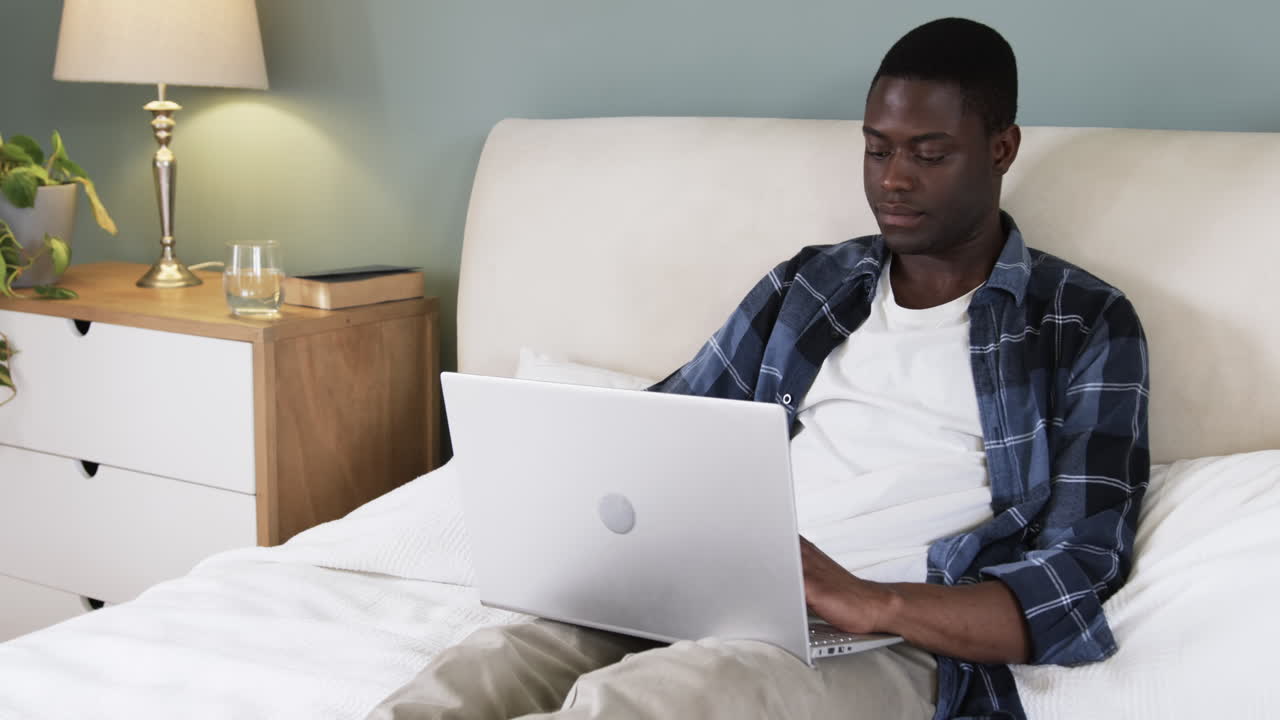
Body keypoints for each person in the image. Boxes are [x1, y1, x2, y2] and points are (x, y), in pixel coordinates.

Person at [368, 17, 1148, 720]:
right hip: (710, 589)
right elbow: (663, 431)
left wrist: (870, 601)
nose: (893, 179)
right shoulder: (812, 285)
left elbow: (1078, 575)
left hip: (889, 641)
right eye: (877, 149)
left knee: (647, 700)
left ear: (1001, 149)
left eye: (929, 154)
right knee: (480, 670)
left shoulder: (1081, 321)